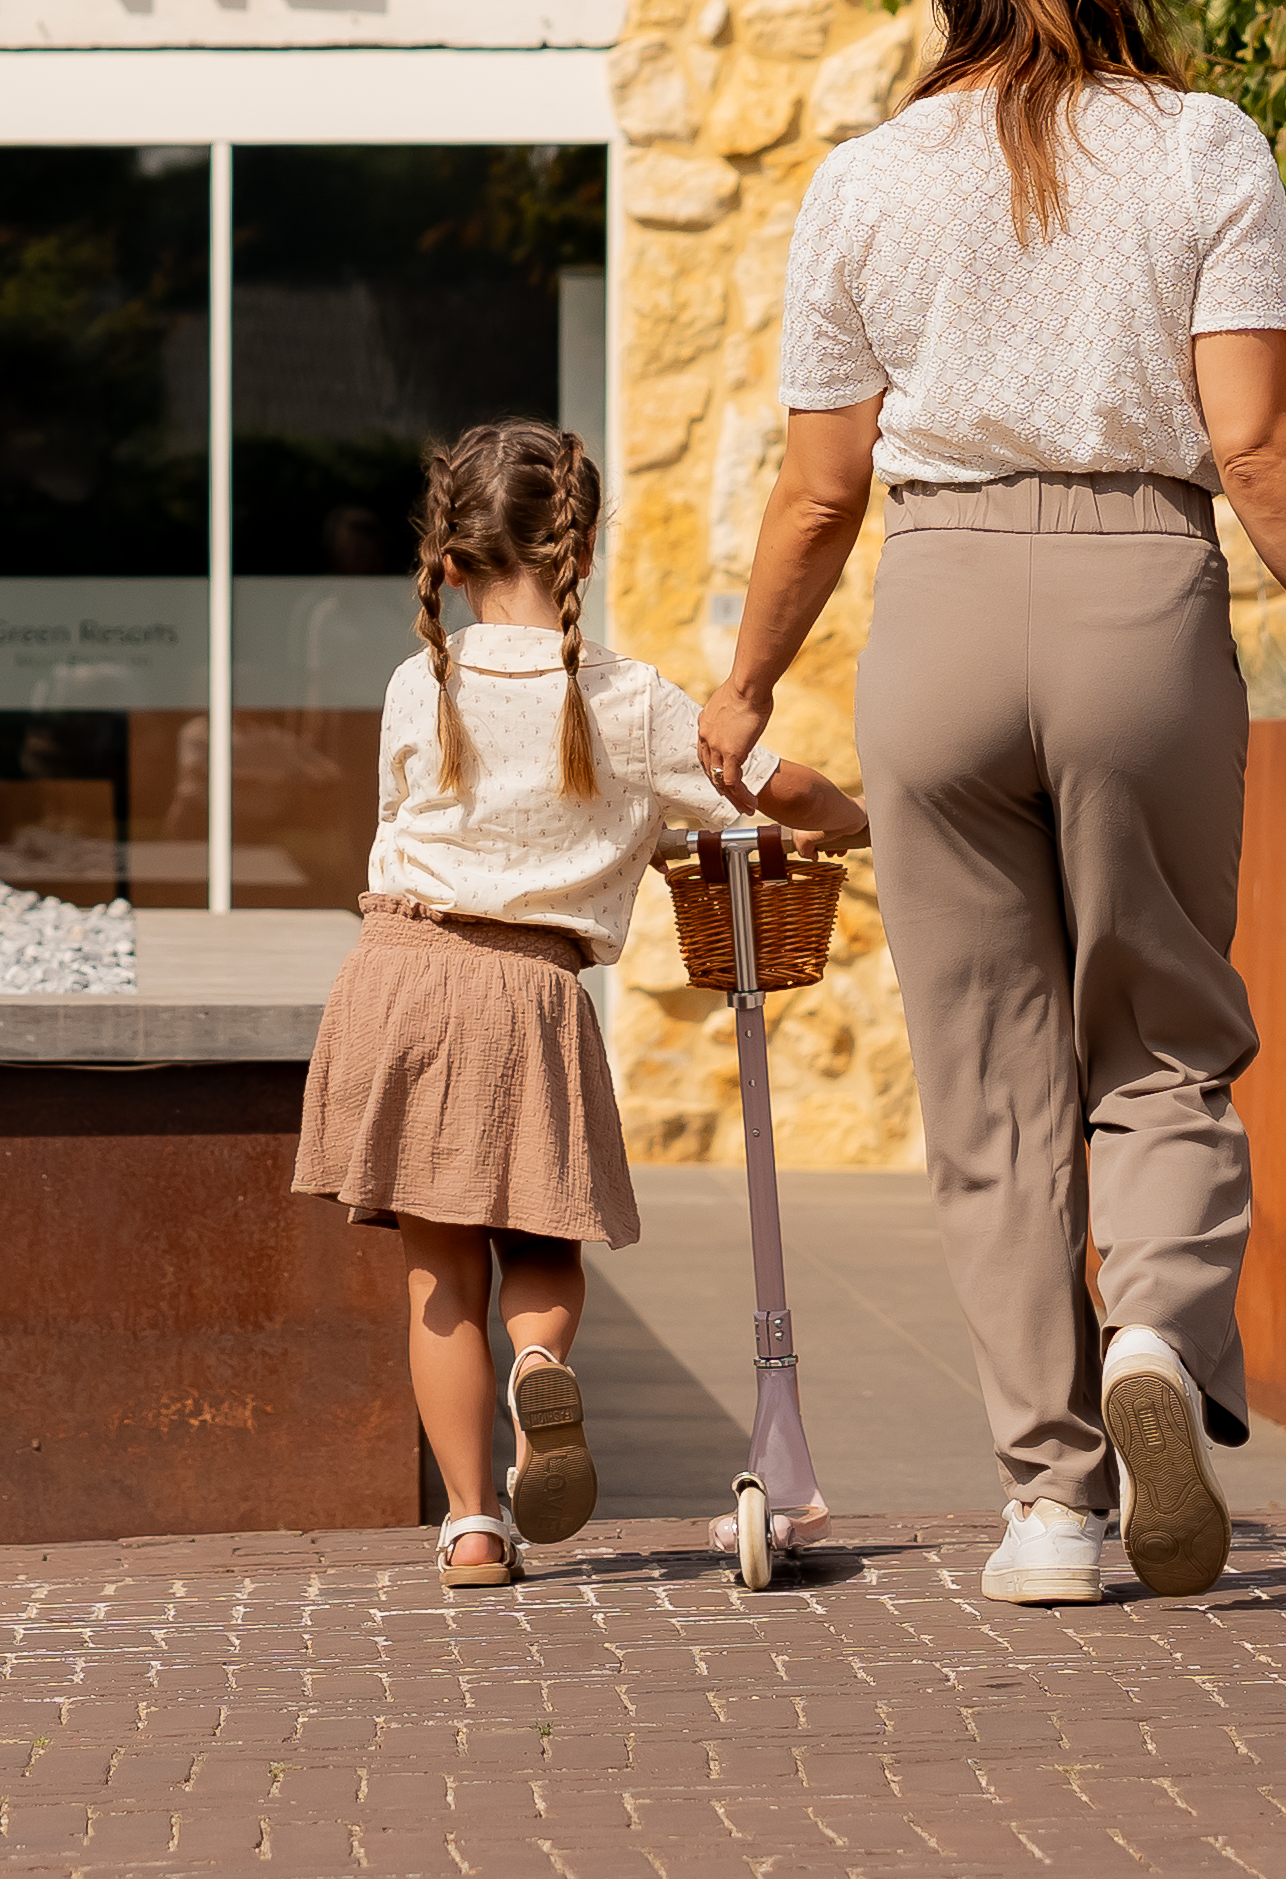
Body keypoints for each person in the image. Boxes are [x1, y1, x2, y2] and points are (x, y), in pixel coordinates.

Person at [707, 0, 1286, 1611]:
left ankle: (1046, 1503)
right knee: (1163, 1027)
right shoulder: (1207, 150)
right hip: (1140, 603)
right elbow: (1258, 452)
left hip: (939, 617)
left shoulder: (866, 178)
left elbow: (819, 486)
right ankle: (1160, 1336)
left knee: (987, 1081)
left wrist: (741, 685)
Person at [295, 419, 869, 1588]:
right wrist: (852, 819)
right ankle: (537, 1371)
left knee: (438, 1271)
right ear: (585, 551)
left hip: (400, 973)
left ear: (449, 561)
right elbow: (767, 790)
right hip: (530, 993)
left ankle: (468, 1526)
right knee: (540, 1244)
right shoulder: (634, 701)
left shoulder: (422, 682)